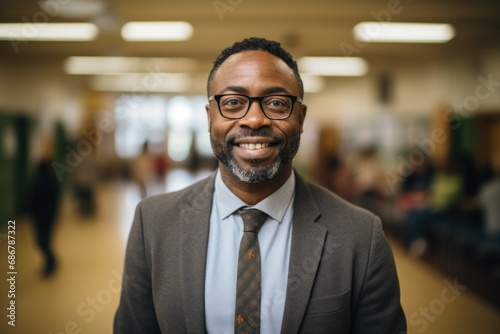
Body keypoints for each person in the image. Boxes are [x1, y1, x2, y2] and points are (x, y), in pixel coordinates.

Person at [114, 37, 406, 334]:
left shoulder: (360, 235)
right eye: (232, 103)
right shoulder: (152, 222)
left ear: (301, 118)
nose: (254, 120)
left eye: (277, 103)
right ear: (210, 117)